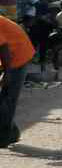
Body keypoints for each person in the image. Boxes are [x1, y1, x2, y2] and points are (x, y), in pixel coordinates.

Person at [0, 14, 36, 147]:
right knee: (5, 98)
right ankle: (12, 132)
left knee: (8, 98)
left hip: (17, 55)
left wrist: (7, 73)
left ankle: (5, 136)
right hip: (11, 54)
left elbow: (3, 48)